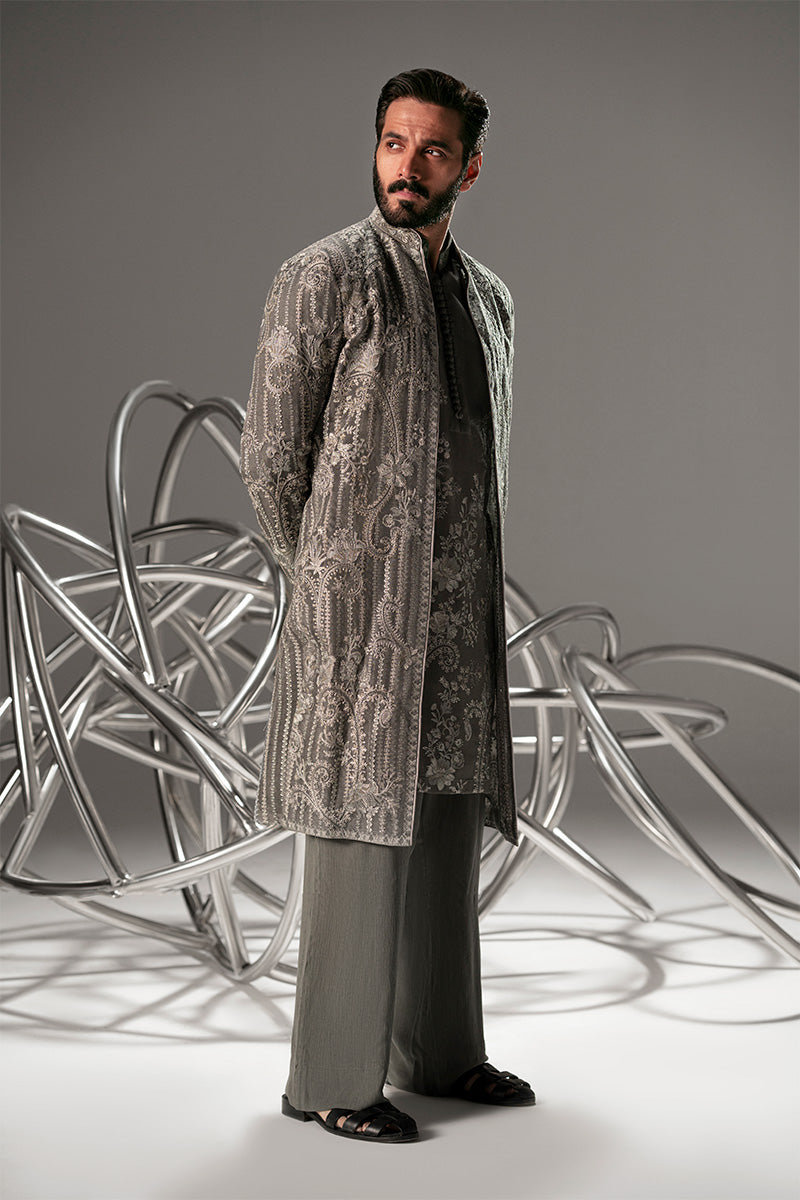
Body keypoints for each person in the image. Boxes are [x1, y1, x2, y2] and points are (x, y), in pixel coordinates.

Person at [241, 67, 535, 1145]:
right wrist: (330, 579)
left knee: (446, 828)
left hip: (456, 618)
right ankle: (329, 1079)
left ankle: (441, 1053)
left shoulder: (490, 301)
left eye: (432, 149)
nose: (408, 166)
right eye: (392, 143)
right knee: (359, 838)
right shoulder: (323, 276)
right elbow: (271, 457)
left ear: (470, 167)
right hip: (361, 620)